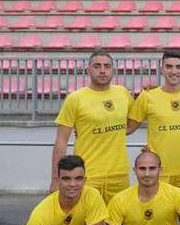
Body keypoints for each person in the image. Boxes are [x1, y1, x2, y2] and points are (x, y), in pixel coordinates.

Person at [52, 50, 132, 202]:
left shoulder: (123, 93)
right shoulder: (75, 99)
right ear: (88, 70)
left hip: (119, 174)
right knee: (89, 223)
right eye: (97, 66)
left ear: (113, 71)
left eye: (107, 66)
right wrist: (56, 180)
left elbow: (133, 122)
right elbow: (61, 142)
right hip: (88, 174)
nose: (103, 70)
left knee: (119, 223)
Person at [127, 51, 180, 195]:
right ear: (162, 69)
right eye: (169, 66)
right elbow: (128, 129)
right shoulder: (147, 96)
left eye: (178, 67)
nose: (174, 71)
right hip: (160, 171)